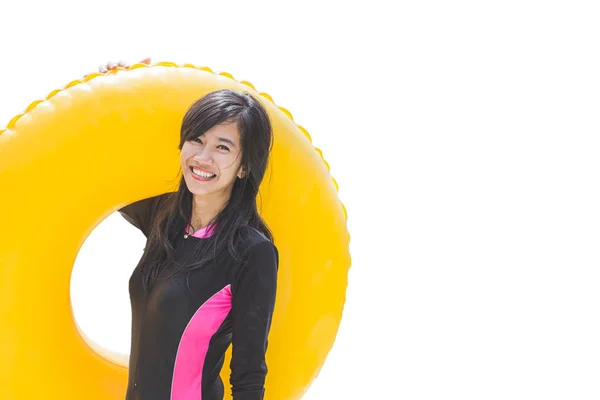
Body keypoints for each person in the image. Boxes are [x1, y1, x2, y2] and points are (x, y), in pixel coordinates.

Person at [99, 58, 279, 400]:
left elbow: (249, 375)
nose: (203, 157)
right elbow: (104, 180)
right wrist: (120, 92)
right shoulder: (163, 216)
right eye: (196, 140)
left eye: (222, 147)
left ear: (244, 167)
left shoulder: (251, 252)